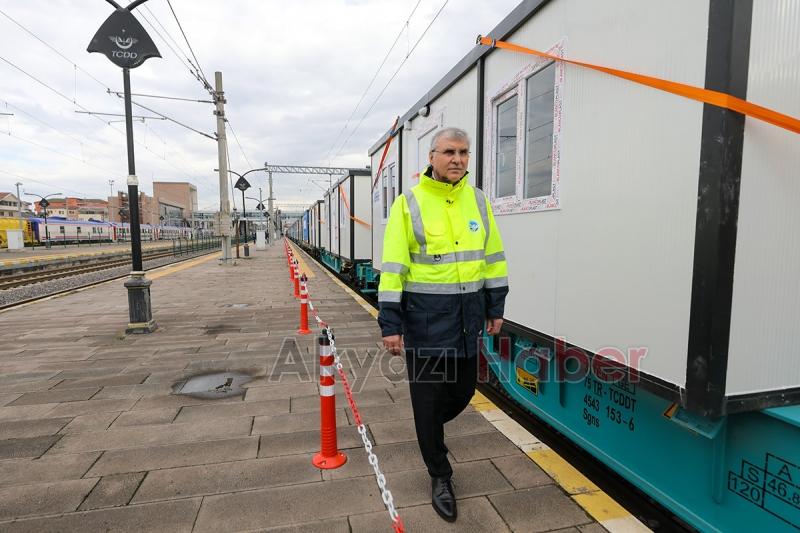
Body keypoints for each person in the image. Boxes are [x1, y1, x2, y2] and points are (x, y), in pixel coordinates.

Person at [377, 127, 509, 522]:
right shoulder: (409, 203)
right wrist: (390, 325)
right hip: (425, 323)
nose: (457, 159)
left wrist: (495, 307)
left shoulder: (479, 201)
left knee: (464, 391)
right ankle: (440, 474)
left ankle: (428, 425)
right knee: (429, 401)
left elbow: (494, 259)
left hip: (468, 318)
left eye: (464, 153)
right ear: (432, 157)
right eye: (449, 152)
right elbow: (393, 270)